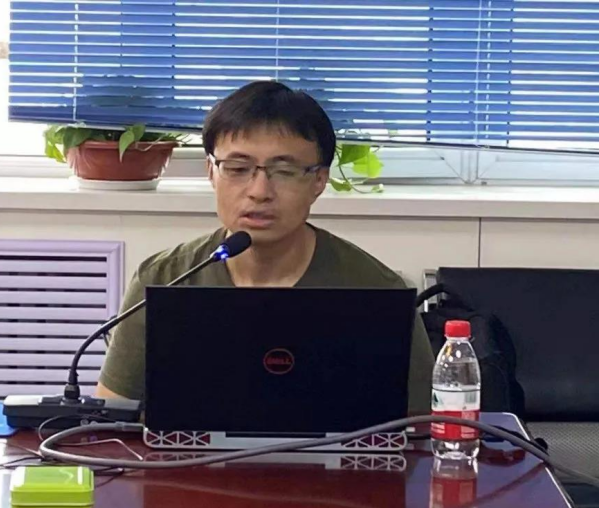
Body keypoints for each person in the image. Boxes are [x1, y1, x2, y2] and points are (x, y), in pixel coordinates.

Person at [96, 81, 434, 414]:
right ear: (211, 172)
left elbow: (422, 430)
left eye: (284, 171)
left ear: (319, 180)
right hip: (187, 453)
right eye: (238, 169)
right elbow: (109, 419)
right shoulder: (163, 279)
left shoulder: (379, 291)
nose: (259, 191)